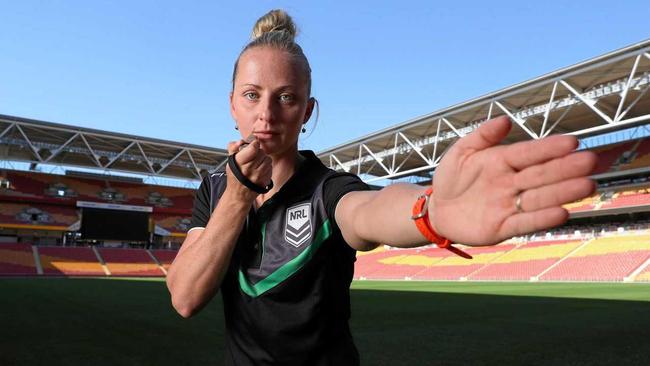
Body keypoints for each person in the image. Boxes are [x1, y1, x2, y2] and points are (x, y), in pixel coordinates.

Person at [166, 9, 597, 365]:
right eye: (251, 95)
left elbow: (369, 210)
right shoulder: (216, 188)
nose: (266, 114)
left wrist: (431, 211)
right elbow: (185, 297)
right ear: (231, 104)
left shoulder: (328, 189)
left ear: (307, 111)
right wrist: (239, 196)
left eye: (286, 98)